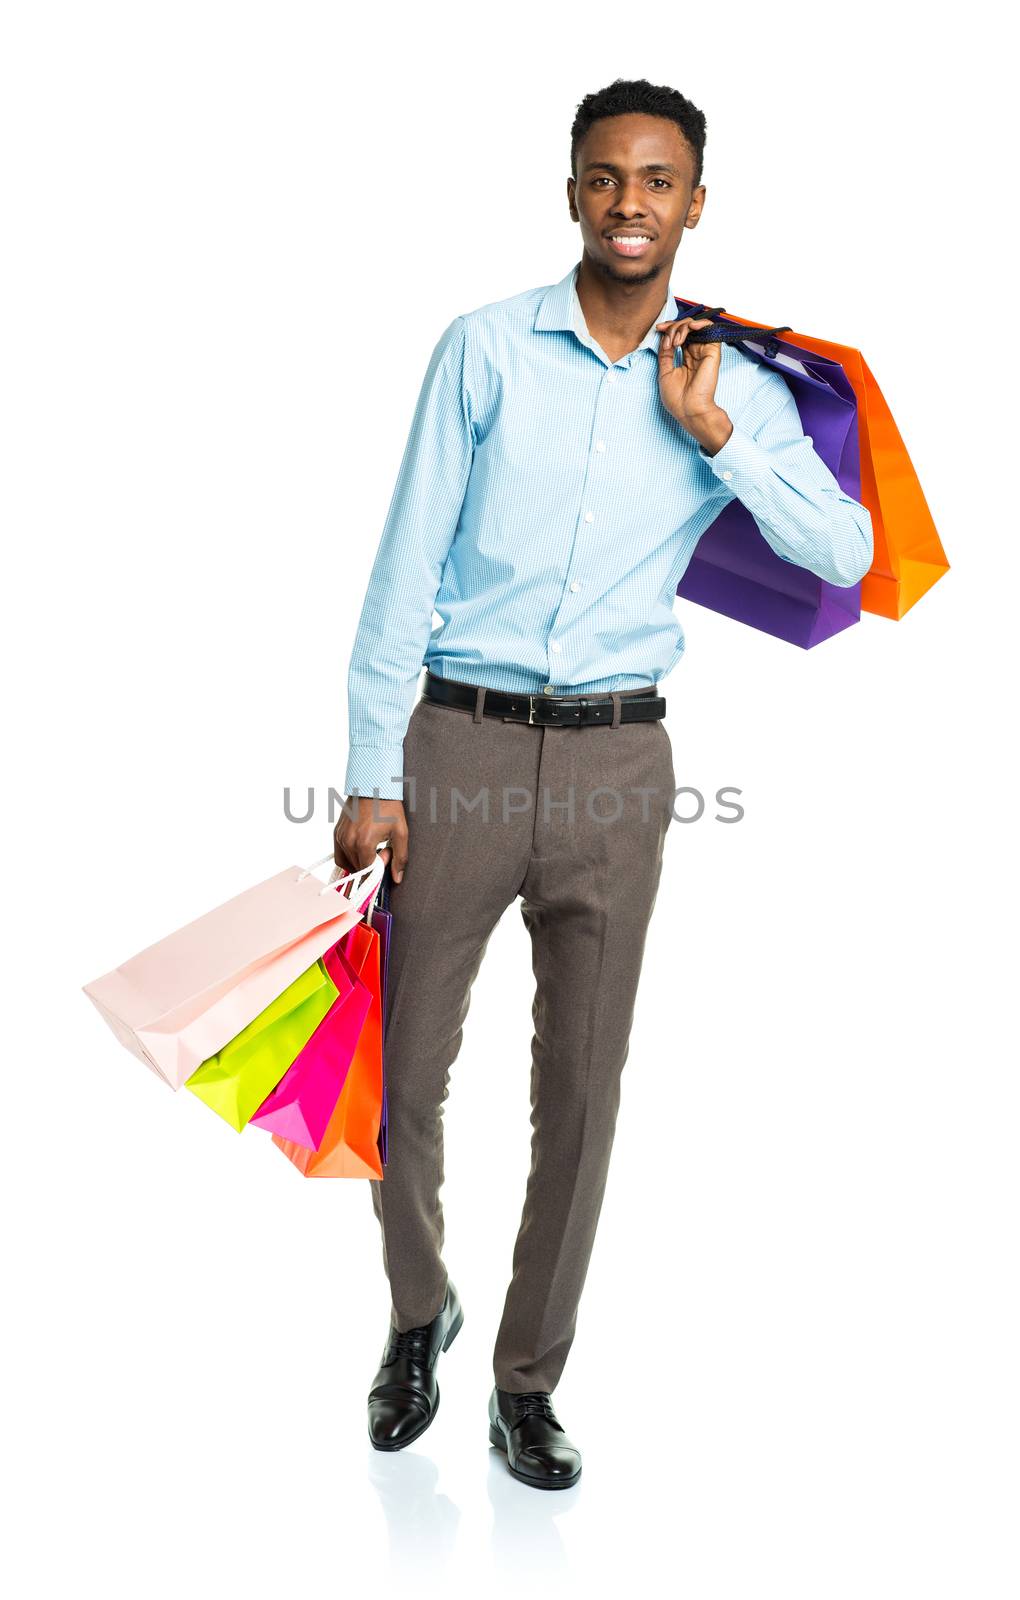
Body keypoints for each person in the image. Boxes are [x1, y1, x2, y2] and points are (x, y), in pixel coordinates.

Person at [334, 76, 873, 1491]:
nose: (629, 203)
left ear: (696, 203)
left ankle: (526, 1378)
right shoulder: (482, 350)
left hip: (621, 763)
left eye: (658, 181)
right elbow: (403, 571)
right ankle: (416, 1310)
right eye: (604, 178)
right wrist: (368, 771)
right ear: (572, 191)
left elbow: (845, 556)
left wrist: (719, 437)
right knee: (392, 1067)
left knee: (581, 1084)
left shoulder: (734, 385)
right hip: (453, 744)